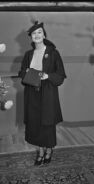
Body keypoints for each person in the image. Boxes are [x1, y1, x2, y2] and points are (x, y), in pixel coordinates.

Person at [18, 21, 67, 166]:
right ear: (31, 37)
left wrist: (48, 76)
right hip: (32, 94)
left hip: (48, 93)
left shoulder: (53, 53)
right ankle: (40, 152)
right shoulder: (28, 54)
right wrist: (25, 73)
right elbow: (21, 72)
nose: (37, 35)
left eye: (39, 32)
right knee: (34, 124)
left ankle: (49, 150)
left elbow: (61, 74)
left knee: (47, 124)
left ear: (44, 35)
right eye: (34, 33)